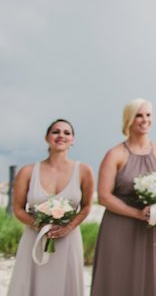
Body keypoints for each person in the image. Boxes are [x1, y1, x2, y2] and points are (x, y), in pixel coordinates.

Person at [91, 98, 156, 296]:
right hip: (119, 225)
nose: (145, 120)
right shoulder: (115, 154)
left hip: (148, 226)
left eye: (148, 115)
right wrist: (138, 213)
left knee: (144, 277)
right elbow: (104, 196)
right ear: (129, 119)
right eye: (139, 115)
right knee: (116, 276)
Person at [8, 119, 94, 296]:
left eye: (66, 132)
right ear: (46, 137)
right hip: (35, 238)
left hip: (69, 240)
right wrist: (39, 226)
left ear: (73, 140)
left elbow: (86, 207)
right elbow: (18, 209)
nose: (61, 135)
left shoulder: (84, 171)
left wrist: (68, 227)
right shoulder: (28, 171)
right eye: (56, 132)